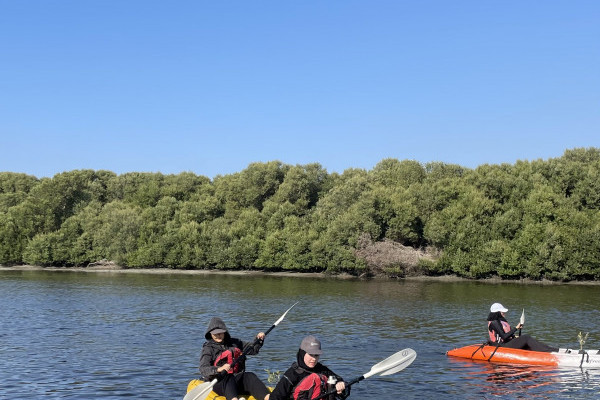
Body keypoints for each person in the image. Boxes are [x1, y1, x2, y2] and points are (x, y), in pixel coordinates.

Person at [199, 317, 271, 400]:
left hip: (236, 380)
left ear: (224, 332)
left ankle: (268, 397)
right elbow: (203, 368)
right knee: (228, 377)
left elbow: (253, 350)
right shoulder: (208, 348)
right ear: (210, 334)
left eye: (220, 333)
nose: (218, 335)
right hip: (219, 382)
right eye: (215, 334)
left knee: (250, 376)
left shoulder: (235, 343)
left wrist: (259, 340)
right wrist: (219, 369)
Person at [269, 335, 348, 400]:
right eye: (311, 354)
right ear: (302, 353)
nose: (314, 359)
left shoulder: (323, 370)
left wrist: (341, 385)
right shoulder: (292, 374)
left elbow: (345, 389)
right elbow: (275, 397)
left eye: (316, 355)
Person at [487, 303, 558, 353]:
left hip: (506, 343)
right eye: (502, 311)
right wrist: (516, 328)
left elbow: (505, 334)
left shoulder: (500, 321)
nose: (504, 313)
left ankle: (549, 349)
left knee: (525, 337)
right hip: (501, 346)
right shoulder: (494, 322)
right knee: (526, 337)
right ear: (497, 312)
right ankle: (549, 350)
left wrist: (515, 336)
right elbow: (504, 337)